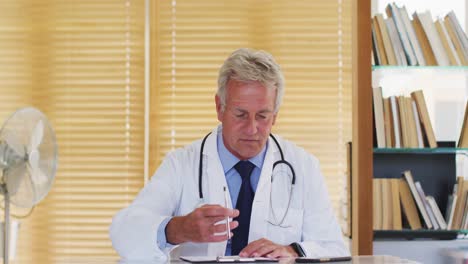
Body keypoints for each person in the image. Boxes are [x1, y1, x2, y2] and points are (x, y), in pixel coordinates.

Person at [109, 48, 349, 260]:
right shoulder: (181, 164)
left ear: (275, 115)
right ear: (219, 108)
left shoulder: (303, 166)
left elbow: (335, 248)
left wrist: (294, 250)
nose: (252, 129)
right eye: (241, 114)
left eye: (263, 116)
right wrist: (177, 229)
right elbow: (125, 232)